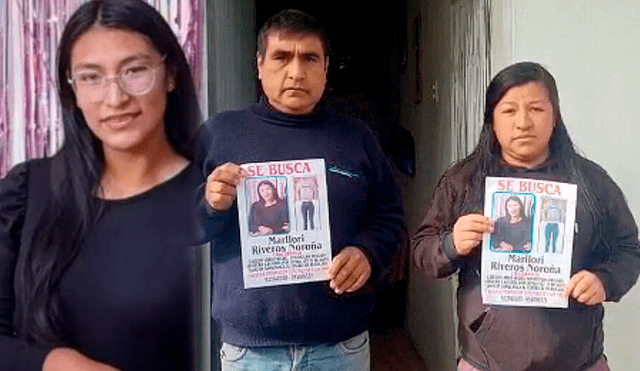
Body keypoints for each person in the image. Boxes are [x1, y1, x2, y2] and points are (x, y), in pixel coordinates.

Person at [0, 0, 204, 370]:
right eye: (91, 77)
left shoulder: (211, 198)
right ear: (72, 90)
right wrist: (57, 363)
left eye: (135, 70)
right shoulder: (26, 192)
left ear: (171, 73)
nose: (115, 99)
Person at [200, 9, 403, 371]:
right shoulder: (220, 134)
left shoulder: (356, 138)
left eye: (309, 58)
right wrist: (210, 204)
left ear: (326, 68)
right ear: (259, 64)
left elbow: (389, 215)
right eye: (281, 57)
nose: (296, 72)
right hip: (251, 353)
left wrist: (367, 253)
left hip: (340, 347)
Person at [411, 61, 640, 371]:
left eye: (536, 109)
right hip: (487, 362)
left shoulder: (591, 182)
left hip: (579, 361)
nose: (523, 123)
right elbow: (423, 250)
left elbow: (628, 248)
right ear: (491, 119)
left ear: (555, 116)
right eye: (509, 111)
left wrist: (605, 280)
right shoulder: (463, 182)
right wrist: (452, 244)